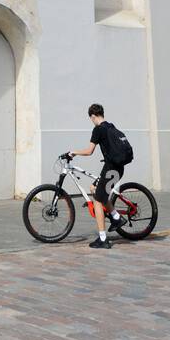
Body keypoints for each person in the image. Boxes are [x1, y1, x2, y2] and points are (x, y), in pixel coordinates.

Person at [66, 103, 124, 249]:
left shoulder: (98, 129)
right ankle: (116, 218)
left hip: (112, 169)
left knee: (98, 199)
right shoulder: (111, 126)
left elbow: (89, 151)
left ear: (92, 116)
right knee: (95, 189)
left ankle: (103, 239)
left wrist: (73, 152)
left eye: (91, 118)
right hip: (115, 168)